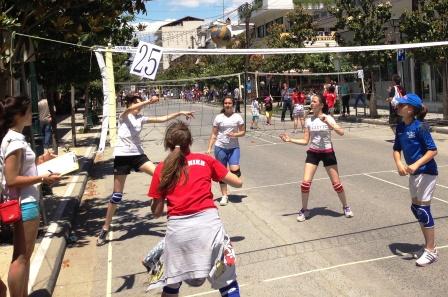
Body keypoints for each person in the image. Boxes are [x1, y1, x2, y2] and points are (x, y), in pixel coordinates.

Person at [148, 121, 243, 297]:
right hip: (209, 229)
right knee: (228, 284)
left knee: (170, 287)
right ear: (190, 141)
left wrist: (156, 201)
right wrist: (234, 169)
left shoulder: (162, 168)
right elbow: (238, 183)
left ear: (168, 144)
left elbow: (156, 212)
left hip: (178, 233)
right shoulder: (206, 160)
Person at [96, 94, 195, 246]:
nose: (139, 105)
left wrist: (181, 112)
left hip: (137, 155)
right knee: (117, 195)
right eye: (137, 103)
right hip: (122, 157)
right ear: (129, 104)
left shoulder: (141, 118)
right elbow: (130, 108)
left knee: (162, 175)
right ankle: (105, 227)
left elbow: (163, 119)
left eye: (140, 103)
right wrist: (148, 101)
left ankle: (163, 203)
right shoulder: (124, 116)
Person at [0, 96, 61, 297]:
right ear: (18, 115)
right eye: (28, 111)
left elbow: (21, 168)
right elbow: (11, 178)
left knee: (24, 256)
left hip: (23, 202)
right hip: (25, 204)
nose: (31, 115)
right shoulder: (15, 140)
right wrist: (42, 178)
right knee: (21, 258)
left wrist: (41, 159)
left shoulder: (13, 138)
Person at [279, 94, 354, 222]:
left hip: (328, 152)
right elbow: (305, 141)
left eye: (314, 101)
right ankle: (304, 210)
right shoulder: (308, 121)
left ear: (321, 105)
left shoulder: (328, 118)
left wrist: (329, 122)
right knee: (305, 184)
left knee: (337, 184)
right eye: (311, 102)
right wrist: (290, 140)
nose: (311, 104)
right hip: (313, 152)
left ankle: (346, 206)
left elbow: (341, 132)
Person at [393, 93, 438, 266]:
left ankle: (431, 250)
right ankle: (428, 245)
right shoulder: (400, 127)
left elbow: (432, 150)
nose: (397, 106)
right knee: (416, 208)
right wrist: (399, 163)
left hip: (427, 171)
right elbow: (396, 149)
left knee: (423, 210)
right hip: (413, 173)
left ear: (410, 109)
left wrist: (416, 164)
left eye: (401, 104)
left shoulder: (420, 127)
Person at [207, 97, 245, 206]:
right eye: (225, 103)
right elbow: (214, 134)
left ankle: (233, 179)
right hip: (220, 147)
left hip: (234, 148)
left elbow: (243, 132)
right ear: (223, 104)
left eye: (229, 103)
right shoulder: (219, 117)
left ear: (232, 104)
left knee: (235, 170)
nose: (227, 105)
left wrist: (235, 134)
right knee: (222, 172)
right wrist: (209, 148)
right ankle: (224, 195)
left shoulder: (237, 117)